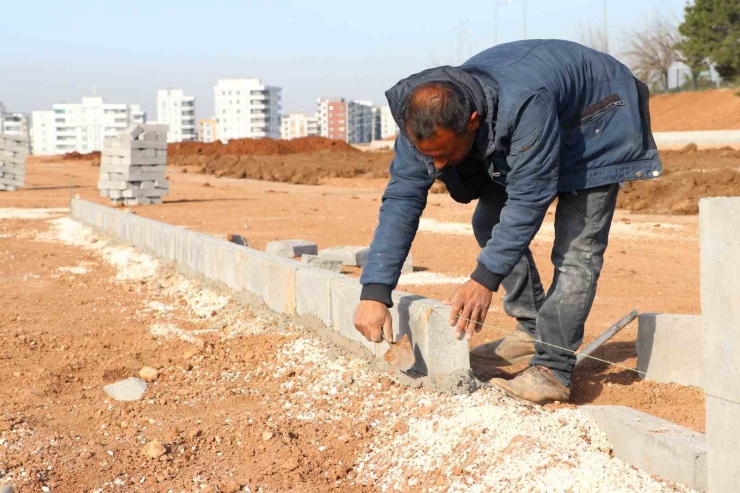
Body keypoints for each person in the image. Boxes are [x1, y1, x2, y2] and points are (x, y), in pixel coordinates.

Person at [352, 40, 661, 405]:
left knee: (577, 247)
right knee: (489, 221)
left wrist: (485, 278)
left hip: (598, 116)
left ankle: (553, 369)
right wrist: (374, 289)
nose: (436, 166)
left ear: (472, 122)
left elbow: (531, 196)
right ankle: (534, 332)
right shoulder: (419, 122)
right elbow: (403, 198)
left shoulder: (525, 104)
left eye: (445, 154)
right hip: (537, 112)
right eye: (428, 155)